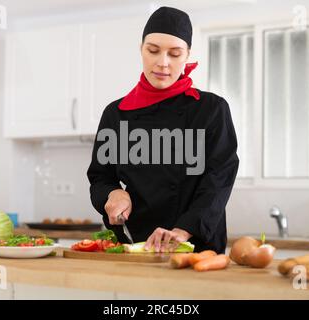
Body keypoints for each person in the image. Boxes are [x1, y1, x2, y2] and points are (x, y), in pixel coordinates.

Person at [87, 6, 239, 253]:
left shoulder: (212, 110)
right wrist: (113, 194)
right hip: (136, 242)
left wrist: (182, 231)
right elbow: (100, 177)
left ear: (188, 55)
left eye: (175, 53)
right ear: (141, 49)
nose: (163, 63)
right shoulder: (116, 114)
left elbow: (218, 180)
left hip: (196, 245)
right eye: (153, 50)